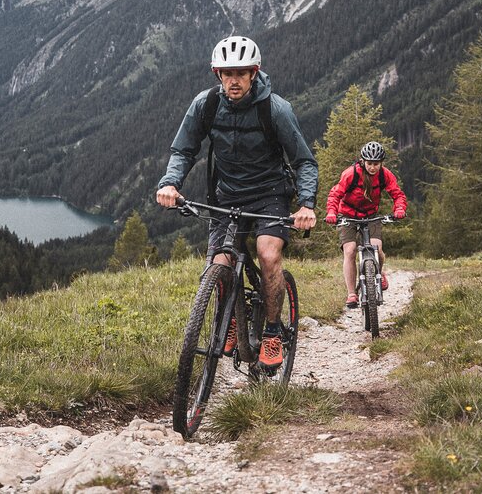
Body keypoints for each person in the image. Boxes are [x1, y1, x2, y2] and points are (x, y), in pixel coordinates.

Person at [156, 34, 318, 371]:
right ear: (217, 74)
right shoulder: (206, 104)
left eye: (241, 73)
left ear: (254, 73)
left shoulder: (275, 109)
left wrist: (305, 204)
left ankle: (273, 333)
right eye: (227, 73)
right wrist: (170, 182)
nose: (234, 80)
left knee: (268, 254)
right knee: (221, 262)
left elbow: (304, 161)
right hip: (226, 196)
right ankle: (230, 317)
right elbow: (183, 149)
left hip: (269, 194)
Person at [325, 141, 407, 308]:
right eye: (369, 163)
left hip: (370, 215)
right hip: (348, 215)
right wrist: (332, 213)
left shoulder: (385, 175)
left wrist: (399, 209)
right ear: (363, 161)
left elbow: (398, 194)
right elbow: (335, 194)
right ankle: (352, 294)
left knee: (377, 248)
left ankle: (379, 272)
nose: (373, 167)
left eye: (376, 164)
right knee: (350, 250)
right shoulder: (351, 174)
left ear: (381, 163)